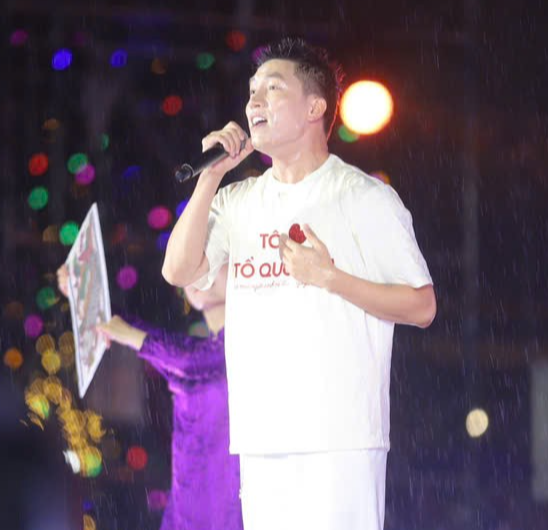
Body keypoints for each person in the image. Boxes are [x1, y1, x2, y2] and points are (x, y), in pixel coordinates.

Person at [161, 37, 436, 530]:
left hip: (339, 438)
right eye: (251, 91)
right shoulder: (239, 200)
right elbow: (178, 272)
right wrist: (210, 179)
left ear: (315, 107)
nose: (254, 102)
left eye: (272, 88)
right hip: (261, 437)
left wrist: (330, 278)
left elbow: (422, 306)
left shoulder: (362, 196)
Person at [57, 264, 242, 530]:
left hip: (230, 512)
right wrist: (80, 293)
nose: (202, 271)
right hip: (185, 513)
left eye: (217, 259)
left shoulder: (243, 343)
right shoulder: (190, 350)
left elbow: (190, 361)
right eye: (196, 261)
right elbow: (124, 327)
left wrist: (135, 337)